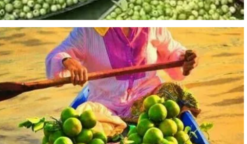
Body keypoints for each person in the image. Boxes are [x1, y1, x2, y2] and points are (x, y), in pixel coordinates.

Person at [46, 28, 198, 119]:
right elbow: (57, 55)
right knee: (84, 121)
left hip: (149, 100)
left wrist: (185, 59)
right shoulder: (87, 31)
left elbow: (173, 51)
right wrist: (67, 61)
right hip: (105, 106)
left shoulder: (152, 25)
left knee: (176, 93)